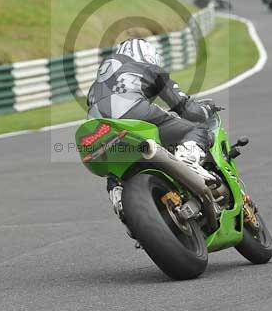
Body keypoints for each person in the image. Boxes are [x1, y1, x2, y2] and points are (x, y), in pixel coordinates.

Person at [87, 38, 217, 215]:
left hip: (96, 131)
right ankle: (188, 158)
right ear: (148, 55)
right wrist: (206, 109)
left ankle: (116, 189)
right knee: (197, 130)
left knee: (116, 164)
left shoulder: (95, 86)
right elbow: (188, 110)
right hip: (133, 115)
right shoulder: (150, 70)